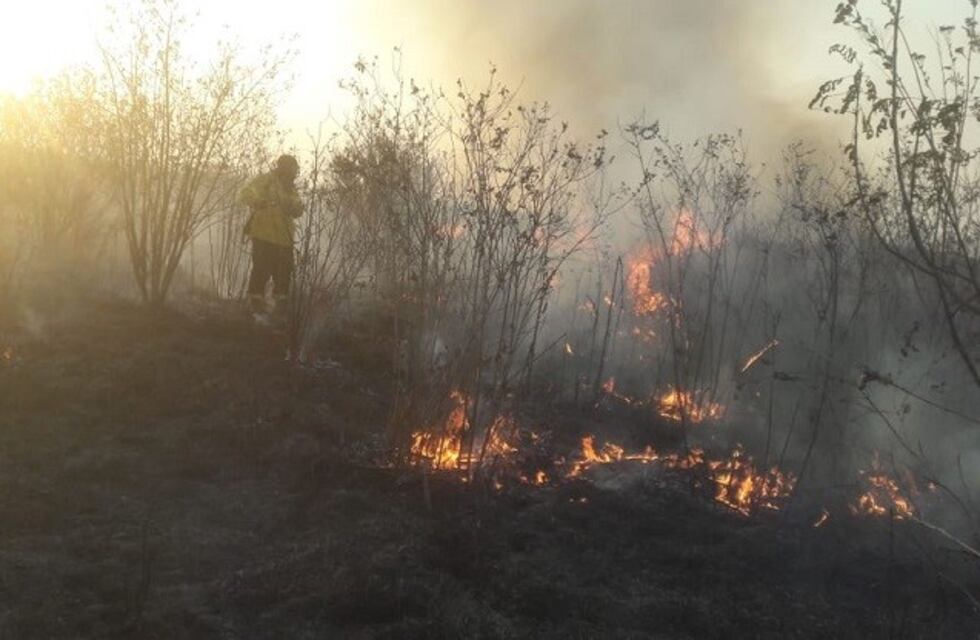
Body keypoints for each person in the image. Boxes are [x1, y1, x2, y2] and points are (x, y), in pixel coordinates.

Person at [240, 154, 303, 322]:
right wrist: (258, 201)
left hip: (284, 238)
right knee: (261, 268)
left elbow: (298, 208)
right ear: (282, 167)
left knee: (284, 273)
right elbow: (244, 193)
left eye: (294, 169)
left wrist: (295, 207)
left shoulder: (291, 188)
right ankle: (255, 305)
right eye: (291, 168)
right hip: (263, 234)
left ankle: (279, 310)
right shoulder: (266, 181)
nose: (293, 172)